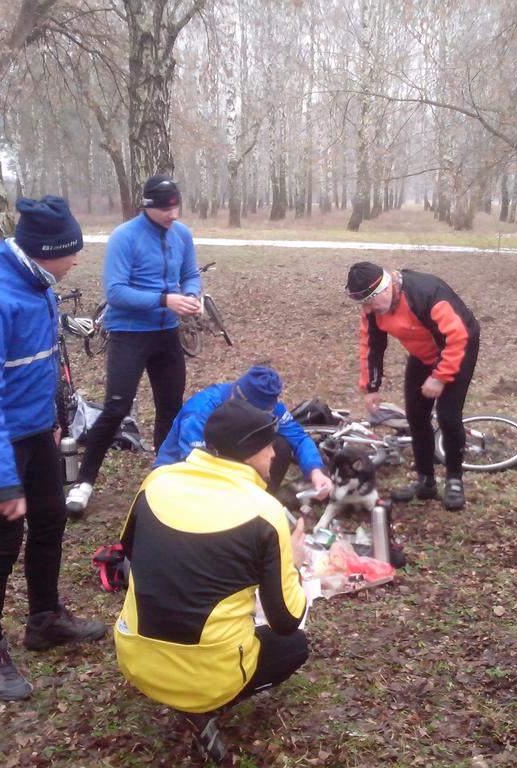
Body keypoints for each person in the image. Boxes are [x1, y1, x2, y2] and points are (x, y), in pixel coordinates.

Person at [0, 196, 106, 700]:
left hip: (35, 431)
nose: (76, 259)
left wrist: (54, 422)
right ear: (45, 251)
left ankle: (44, 619)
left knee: (51, 522)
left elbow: (41, 361)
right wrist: (1, 477)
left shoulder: (39, 283)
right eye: (71, 250)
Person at [116, 398, 309, 763]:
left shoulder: (157, 481)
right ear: (249, 452)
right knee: (295, 646)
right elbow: (286, 620)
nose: (274, 454)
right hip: (210, 675)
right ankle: (204, 707)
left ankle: (178, 684)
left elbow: (127, 551)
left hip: (135, 659)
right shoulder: (264, 512)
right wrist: (294, 565)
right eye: (268, 445)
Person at [65, 175, 201, 517]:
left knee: (171, 407)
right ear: (147, 206)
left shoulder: (182, 234)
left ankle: (165, 476)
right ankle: (84, 482)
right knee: (116, 407)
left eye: (176, 207)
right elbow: (116, 292)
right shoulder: (125, 237)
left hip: (167, 333)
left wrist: (190, 294)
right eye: (165, 209)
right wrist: (164, 299)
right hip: (129, 332)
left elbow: (190, 273)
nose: (172, 215)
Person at [345, 261, 480, 511]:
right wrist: (371, 387)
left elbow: (458, 337)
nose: (369, 309)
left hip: (458, 348)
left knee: (448, 416)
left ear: (386, 288)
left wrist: (440, 377)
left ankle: (454, 480)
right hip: (423, 354)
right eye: (364, 304)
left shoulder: (427, 294)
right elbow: (371, 347)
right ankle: (426, 481)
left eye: (371, 302)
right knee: (416, 416)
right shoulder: (372, 309)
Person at [154, 365, 333, 499]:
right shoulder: (201, 412)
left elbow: (299, 438)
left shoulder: (269, 406)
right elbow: (196, 462)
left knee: (280, 446)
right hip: (180, 472)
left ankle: (261, 500)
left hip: (230, 460)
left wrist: (315, 471)